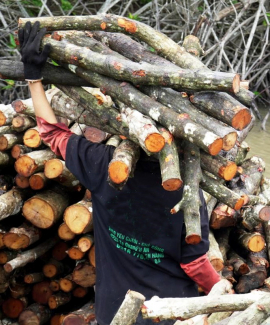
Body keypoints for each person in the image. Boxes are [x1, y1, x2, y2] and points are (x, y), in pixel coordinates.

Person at [18, 21, 220, 324]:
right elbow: (194, 265)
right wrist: (220, 287)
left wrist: (34, 77)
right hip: (170, 314)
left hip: (114, 313)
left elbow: (51, 133)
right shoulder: (186, 190)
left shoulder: (103, 166)